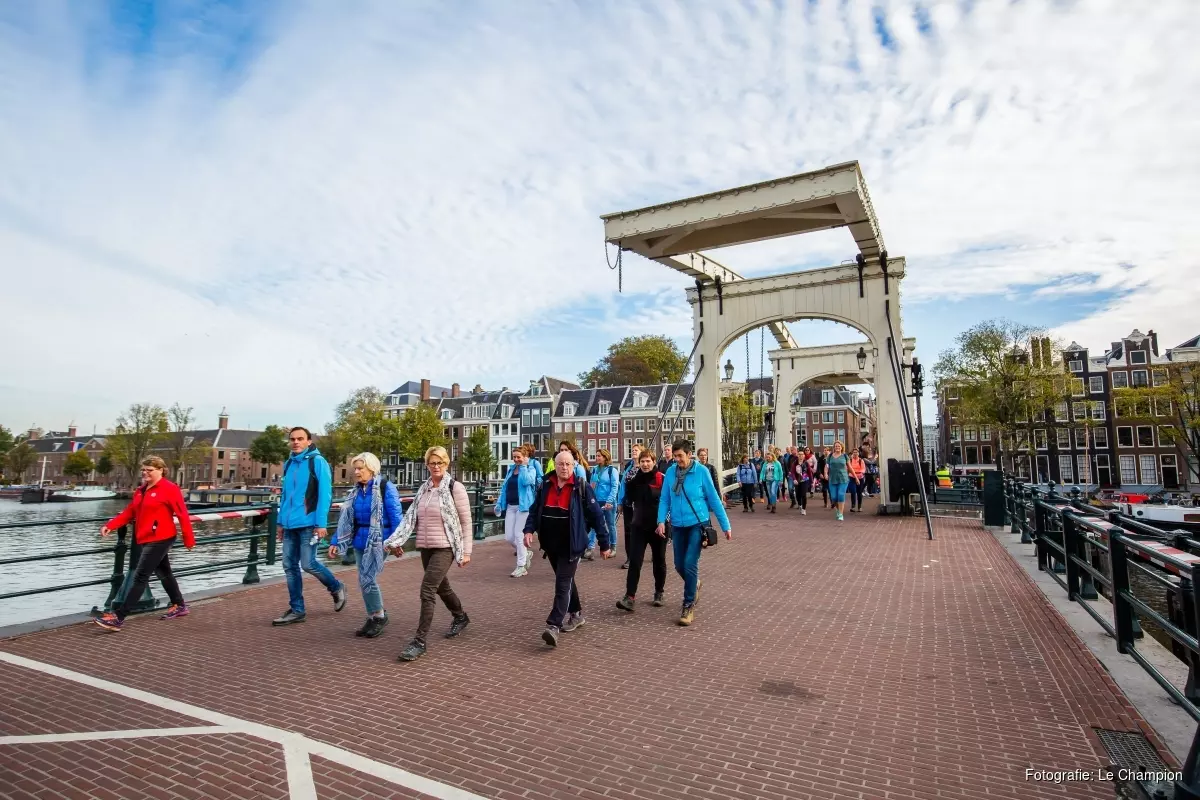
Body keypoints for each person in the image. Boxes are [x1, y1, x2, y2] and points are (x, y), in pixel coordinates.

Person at [383, 446, 472, 662]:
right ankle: (460, 616)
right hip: (426, 546)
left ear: (446, 463)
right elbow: (411, 518)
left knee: (427, 590)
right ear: (427, 465)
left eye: (440, 462)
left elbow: (466, 521)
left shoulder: (455, 487)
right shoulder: (424, 489)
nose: (436, 466)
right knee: (442, 587)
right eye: (432, 462)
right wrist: (396, 541)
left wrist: (466, 551)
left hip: (445, 547)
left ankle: (419, 642)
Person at [523, 450, 612, 647]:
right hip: (551, 544)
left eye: (568, 464)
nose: (564, 467)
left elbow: (597, 516)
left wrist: (604, 543)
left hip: (571, 544)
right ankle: (576, 614)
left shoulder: (581, 487)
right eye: (560, 464)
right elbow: (535, 510)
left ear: (574, 466)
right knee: (566, 579)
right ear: (554, 465)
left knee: (562, 584)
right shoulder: (545, 485)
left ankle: (553, 625)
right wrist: (528, 530)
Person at [94, 457, 195, 631]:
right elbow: (130, 512)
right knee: (164, 572)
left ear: (161, 470)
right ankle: (179, 605)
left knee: (140, 576)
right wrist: (110, 525)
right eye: (143, 470)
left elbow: (182, 514)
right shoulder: (141, 490)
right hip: (145, 537)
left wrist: (189, 539)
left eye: (149, 470)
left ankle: (118, 617)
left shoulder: (170, 489)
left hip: (162, 537)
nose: (145, 473)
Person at [272, 427, 345, 626]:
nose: (295, 442)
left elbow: (325, 495)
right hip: (289, 524)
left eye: (300, 439)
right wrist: (280, 522)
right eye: (292, 439)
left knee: (308, 564)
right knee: (289, 566)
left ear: (308, 441)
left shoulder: (317, 462)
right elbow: (285, 496)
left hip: (308, 523)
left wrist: (321, 523)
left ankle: (336, 587)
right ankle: (297, 609)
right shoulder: (289, 463)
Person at [657, 440, 732, 627]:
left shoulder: (701, 472)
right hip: (677, 525)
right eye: (675, 456)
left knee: (690, 563)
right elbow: (665, 499)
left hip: (697, 524)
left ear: (689, 454)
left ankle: (688, 605)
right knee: (679, 565)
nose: (677, 460)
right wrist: (661, 521)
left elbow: (714, 499)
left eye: (680, 456)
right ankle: (695, 583)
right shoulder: (670, 473)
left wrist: (725, 525)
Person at [329, 452, 402, 638]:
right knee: (363, 579)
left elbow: (396, 517)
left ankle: (379, 616)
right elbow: (346, 519)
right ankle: (372, 616)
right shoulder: (355, 492)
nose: (356, 472)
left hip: (379, 540)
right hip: (359, 539)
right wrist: (336, 540)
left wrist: (396, 541)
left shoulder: (386, 488)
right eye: (355, 468)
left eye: (360, 468)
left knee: (367, 578)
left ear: (372, 469)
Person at [616, 449, 668, 612]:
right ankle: (629, 597)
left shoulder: (662, 478)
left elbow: (669, 502)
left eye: (648, 461)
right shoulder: (634, 480)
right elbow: (628, 500)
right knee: (635, 561)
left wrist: (664, 522)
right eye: (642, 461)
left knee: (659, 560)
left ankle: (659, 592)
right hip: (639, 527)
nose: (645, 464)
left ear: (654, 462)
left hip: (658, 527)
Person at [495, 444, 541, 577]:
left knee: (519, 535)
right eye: (514, 457)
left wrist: (524, 466)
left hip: (524, 507)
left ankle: (521, 566)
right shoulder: (510, 469)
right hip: (511, 506)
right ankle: (525, 553)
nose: (516, 459)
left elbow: (527, 481)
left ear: (525, 457)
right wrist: (499, 503)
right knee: (509, 537)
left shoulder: (530, 468)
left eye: (518, 457)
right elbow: (504, 488)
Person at [615, 443, 644, 569]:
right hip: (628, 504)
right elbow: (622, 485)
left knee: (639, 531)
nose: (634, 452)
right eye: (633, 450)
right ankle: (630, 558)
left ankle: (639, 556)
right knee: (628, 531)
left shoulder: (644, 466)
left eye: (636, 450)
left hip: (640, 505)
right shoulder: (628, 466)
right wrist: (620, 502)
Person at [588, 449, 620, 561]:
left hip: (608, 502)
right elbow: (591, 486)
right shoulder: (594, 470)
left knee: (611, 525)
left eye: (599, 456)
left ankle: (613, 547)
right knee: (593, 524)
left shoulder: (612, 470)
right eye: (596, 455)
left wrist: (609, 501)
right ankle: (590, 548)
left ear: (605, 457)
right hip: (596, 501)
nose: (597, 458)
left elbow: (615, 487)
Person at [824, 441, 851, 521]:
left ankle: (841, 514)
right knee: (834, 497)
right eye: (836, 446)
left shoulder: (845, 456)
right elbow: (826, 466)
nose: (837, 447)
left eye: (839, 446)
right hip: (832, 479)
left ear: (841, 447)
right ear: (834, 447)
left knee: (841, 495)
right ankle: (839, 510)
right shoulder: (830, 456)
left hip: (843, 478)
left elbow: (849, 467)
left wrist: (856, 477)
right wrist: (825, 473)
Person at [792, 451, 811, 516]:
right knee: (798, 495)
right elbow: (792, 472)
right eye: (799, 454)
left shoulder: (806, 463)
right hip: (797, 481)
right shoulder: (795, 463)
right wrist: (794, 479)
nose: (800, 456)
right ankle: (800, 504)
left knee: (803, 495)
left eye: (802, 454)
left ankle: (803, 509)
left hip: (805, 480)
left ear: (804, 456)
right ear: (797, 455)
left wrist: (811, 481)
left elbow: (809, 472)